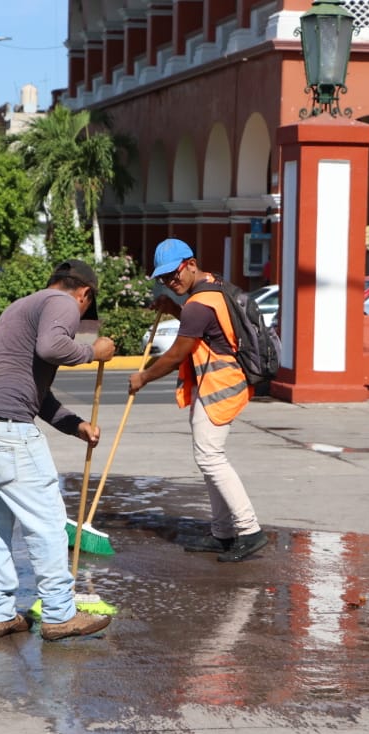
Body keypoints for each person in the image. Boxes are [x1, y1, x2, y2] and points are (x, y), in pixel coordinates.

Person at [0, 260, 117, 641]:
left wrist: (76, 426)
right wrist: (95, 351)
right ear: (84, 293)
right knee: (46, 522)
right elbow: (53, 346)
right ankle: (60, 614)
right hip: (5, 429)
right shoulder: (61, 302)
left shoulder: (21, 307)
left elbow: (36, 395)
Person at [128, 239, 267, 563]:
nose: (170, 282)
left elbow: (179, 353)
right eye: (164, 279)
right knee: (209, 458)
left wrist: (144, 377)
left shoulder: (198, 303)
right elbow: (207, 330)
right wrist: (175, 308)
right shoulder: (212, 288)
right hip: (224, 382)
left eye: (173, 275)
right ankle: (222, 533)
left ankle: (249, 530)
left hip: (220, 385)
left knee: (210, 457)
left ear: (190, 263)